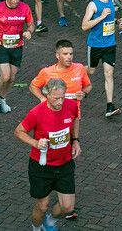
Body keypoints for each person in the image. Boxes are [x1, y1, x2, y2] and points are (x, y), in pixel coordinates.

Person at [15, 78, 81, 231]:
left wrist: (76, 140)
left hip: (64, 164)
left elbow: (76, 118)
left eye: (62, 97)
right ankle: (36, 228)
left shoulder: (70, 106)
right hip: (41, 166)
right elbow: (18, 131)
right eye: (56, 98)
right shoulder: (36, 112)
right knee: (42, 206)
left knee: (68, 207)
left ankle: (50, 222)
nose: (60, 101)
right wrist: (35, 143)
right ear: (47, 95)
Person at [81, 0, 122, 117]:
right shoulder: (93, 5)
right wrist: (101, 17)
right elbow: (84, 26)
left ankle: (109, 106)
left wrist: (117, 22)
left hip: (110, 45)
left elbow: (109, 20)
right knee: (91, 71)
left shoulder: (111, 2)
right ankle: (78, 73)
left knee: (109, 74)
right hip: (95, 45)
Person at [29, 40, 91, 112]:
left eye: (71, 54)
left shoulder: (80, 68)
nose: (69, 57)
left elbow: (88, 86)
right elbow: (33, 86)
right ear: (57, 55)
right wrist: (42, 99)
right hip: (53, 113)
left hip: (74, 112)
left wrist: (84, 93)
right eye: (65, 54)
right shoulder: (47, 72)